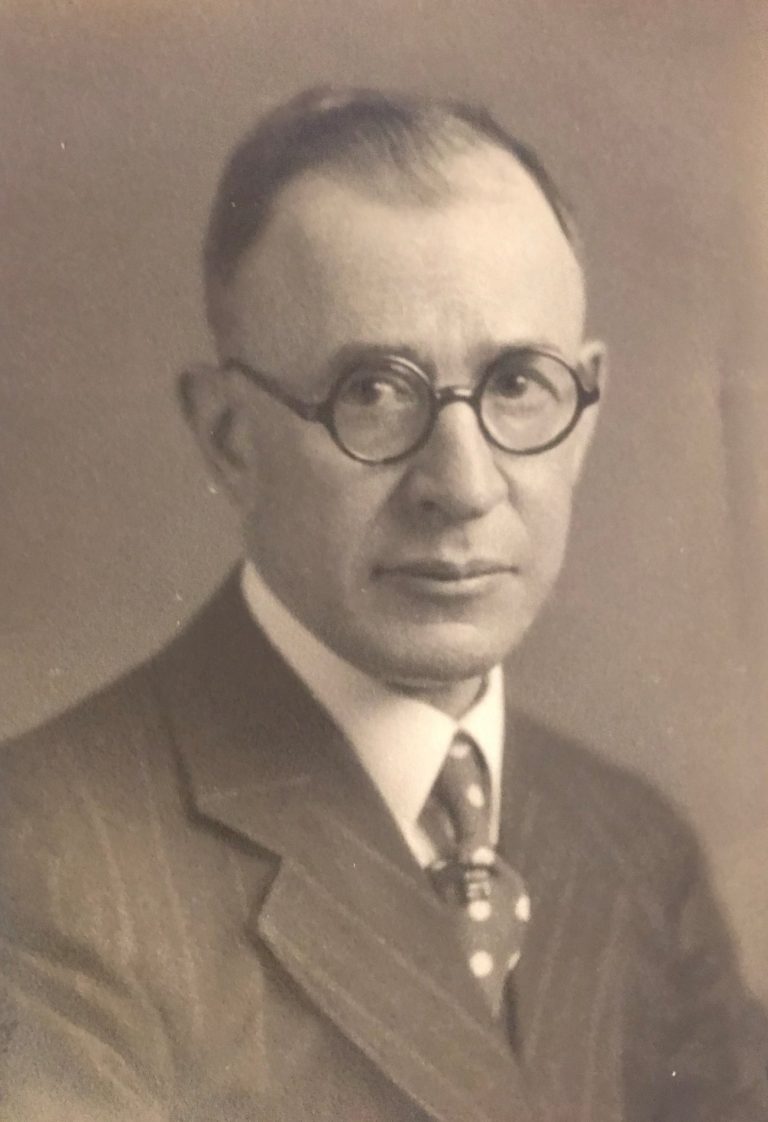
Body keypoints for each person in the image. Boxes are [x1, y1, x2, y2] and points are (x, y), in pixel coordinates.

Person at [0, 87, 765, 1122]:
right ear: (230, 438)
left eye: (517, 385)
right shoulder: (45, 857)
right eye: (372, 391)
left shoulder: (635, 849)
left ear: (583, 415)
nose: (463, 485)